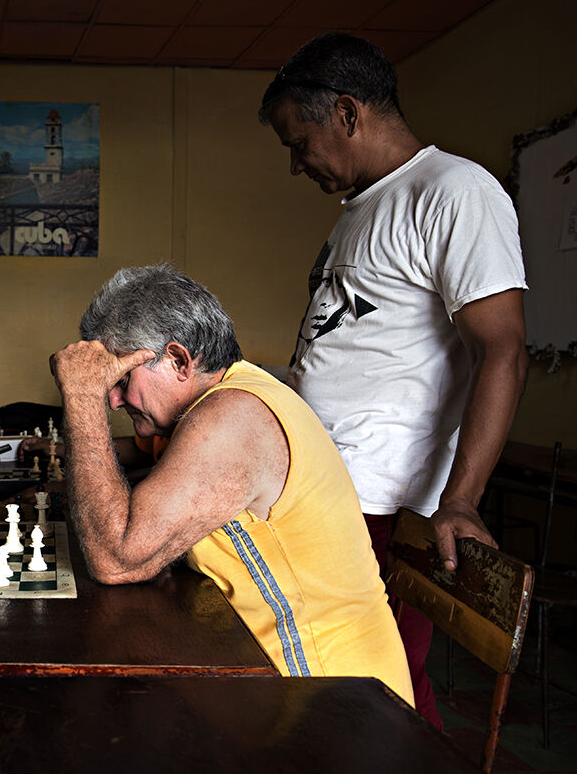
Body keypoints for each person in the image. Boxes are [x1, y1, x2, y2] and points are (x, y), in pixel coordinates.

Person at [258, 32, 528, 727]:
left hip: (387, 504)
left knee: (376, 695)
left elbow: (503, 349)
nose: (297, 165)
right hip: (327, 494)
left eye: (300, 142)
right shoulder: (360, 213)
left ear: (347, 112)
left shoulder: (456, 191)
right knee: (348, 688)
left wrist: (461, 500)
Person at [52, 263, 413, 703]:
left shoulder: (233, 419)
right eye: (107, 385)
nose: (113, 397)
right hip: (284, 683)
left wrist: (82, 398)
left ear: (179, 360)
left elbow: (116, 560)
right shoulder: (223, 399)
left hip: (333, 699)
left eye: (121, 379)